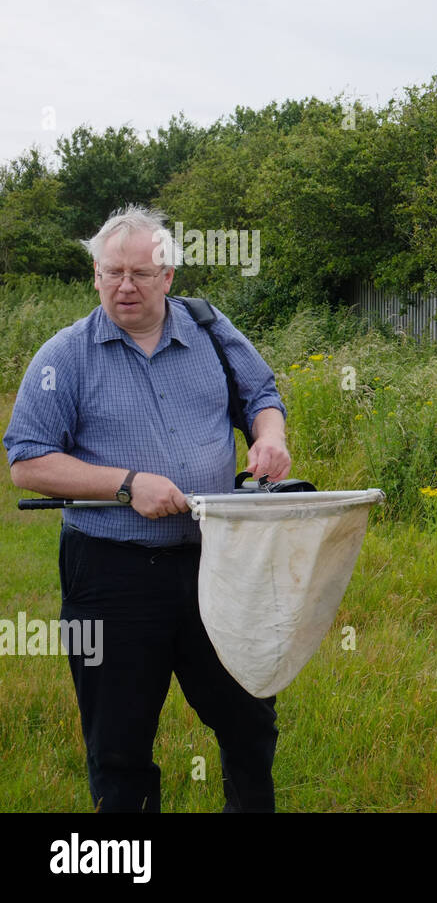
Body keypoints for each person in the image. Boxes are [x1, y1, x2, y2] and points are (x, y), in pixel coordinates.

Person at [3, 205, 292, 812]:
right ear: (95, 275)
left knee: (248, 718)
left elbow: (260, 393)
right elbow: (27, 461)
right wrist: (126, 485)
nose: (125, 285)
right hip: (110, 574)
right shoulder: (66, 355)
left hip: (218, 562)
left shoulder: (211, 329)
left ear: (168, 277)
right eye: (112, 273)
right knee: (119, 743)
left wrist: (270, 436)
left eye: (140, 272)